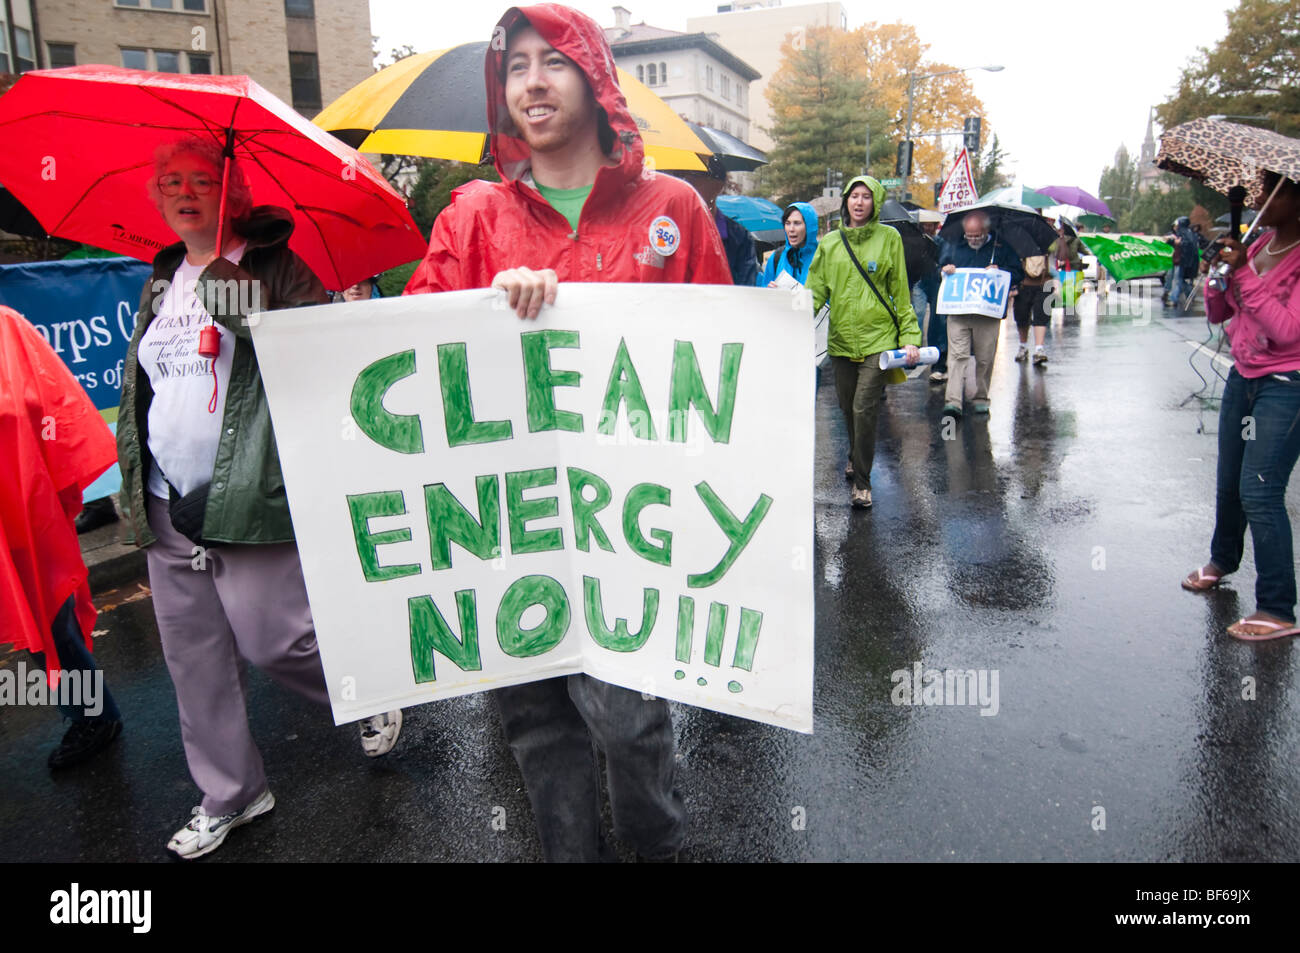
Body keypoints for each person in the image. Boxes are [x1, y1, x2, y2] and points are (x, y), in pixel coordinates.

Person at [404, 3, 731, 862]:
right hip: (511, 531)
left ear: (594, 75)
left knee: (628, 724)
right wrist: (484, 309)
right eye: (514, 66)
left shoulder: (674, 209)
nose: (532, 82)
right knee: (540, 731)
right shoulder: (472, 219)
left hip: (630, 525)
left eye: (553, 61)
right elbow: (411, 362)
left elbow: (726, 374)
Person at [116, 136, 402, 860]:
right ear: (155, 195)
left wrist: (233, 291)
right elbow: (145, 388)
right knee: (195, 659)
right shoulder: (159, 277)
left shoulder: (270, 262)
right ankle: (232, 791)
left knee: (275, 639)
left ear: (232, 193)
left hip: (249, 498)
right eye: (170, 181)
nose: (185, 192)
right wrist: (138, 485)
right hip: (165, 501)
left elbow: (314, 353)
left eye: (202, 180)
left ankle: (365, 688)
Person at [1, 305, 125, 769]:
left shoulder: (7, 324)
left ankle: (93, 716)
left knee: (46, 618)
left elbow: (49, 404)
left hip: (19, 504)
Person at [1182, 170, 1300, 640]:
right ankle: (1223, 559)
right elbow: (1221, 314)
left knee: (1261, 489)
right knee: (1229, 480)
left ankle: (1277, 607)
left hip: (1287, 382)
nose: (1261, 198)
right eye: (1261, 188)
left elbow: (1288, 330)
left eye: (1277, 190)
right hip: (1244, 375)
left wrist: (1245, 273)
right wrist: (1219, 279)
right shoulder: (1261, 243)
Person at [806, 175, 920, 509]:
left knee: (863, 408)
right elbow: (815, 291)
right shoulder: (830, 243)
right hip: (841, 341)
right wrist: (788, 307)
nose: (858, 202)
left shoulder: (889, 238)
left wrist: (910, 338)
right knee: (846, 408)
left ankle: (863, 482)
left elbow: (900, 291)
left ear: (875, 202)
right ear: (846, 201)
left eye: (866, 197)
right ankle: (854, 455)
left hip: (878, 341)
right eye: (853, 196)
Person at [939, 210, 1022, 417]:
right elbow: (939, 265)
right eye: (969, 235)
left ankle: (981, 397)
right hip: (959, 312)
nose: (972, 239)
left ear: (986, 230)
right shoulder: (955, 245)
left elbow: (1018, 272)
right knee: (957, 356)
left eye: (977, 235)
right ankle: (953, 401)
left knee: (985, 357)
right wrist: (946, 268)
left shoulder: (1001, 247)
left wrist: (1001, 270)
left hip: (987, 312)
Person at [675, 156, 758, 286]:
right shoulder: (673, 229)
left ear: (717, 185)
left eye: (695, 177)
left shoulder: (739, 237)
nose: (687, 183)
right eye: (684, 177)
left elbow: (746, 287)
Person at [757, 202, 819, 287]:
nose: (791, 229)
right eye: (787, 223)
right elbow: (764, 292)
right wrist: (769, 291)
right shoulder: (776, 258)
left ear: (809, 226)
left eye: (797, 223)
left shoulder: (823, 257)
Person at [1014, 241, 1053, 366]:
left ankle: (1039, 349)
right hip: (1023, 284)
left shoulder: (1049, 240)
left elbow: (1062, 256)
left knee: (1041, 316)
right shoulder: (1018, 240)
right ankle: (1023, 345)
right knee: (1021, 316)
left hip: (1044, 284)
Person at [1171, 215, 1200, 312]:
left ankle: (1174, 299)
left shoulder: (1183, 233)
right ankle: (1189, 294)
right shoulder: (1190, 233)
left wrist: (1177, 243)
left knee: (1178, 280)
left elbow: (1185, 244)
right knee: (1179, 280)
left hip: (1182, 261)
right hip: (1188, 261)